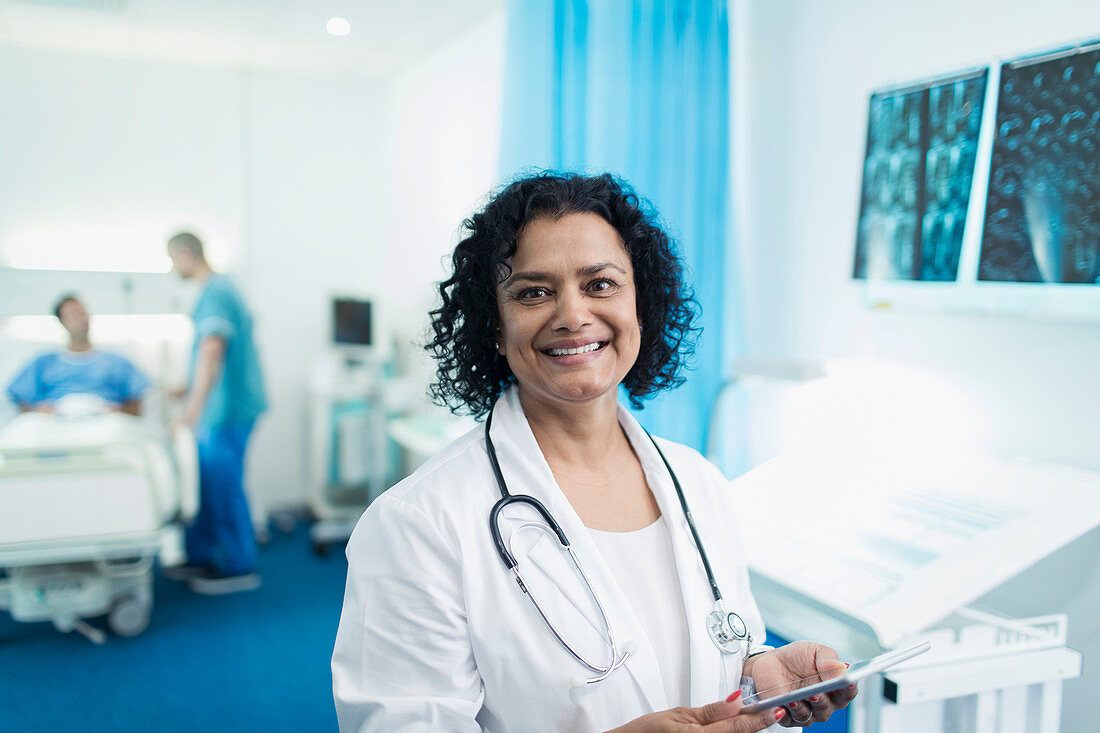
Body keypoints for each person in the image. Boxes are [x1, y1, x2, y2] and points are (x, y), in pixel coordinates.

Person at [332, 173, 856, 731]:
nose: (572, 315)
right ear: (494, 322)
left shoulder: (697, 481)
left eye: (601, 284)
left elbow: (722, 660)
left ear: (640, 302)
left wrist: (759, 678)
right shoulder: (416, 524)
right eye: (534, 291)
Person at [165, 231, 267, 595]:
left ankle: (239, 565)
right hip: (222, 408)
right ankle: (204, 556)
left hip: (226, 411)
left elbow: (212, 348)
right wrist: (186, 387)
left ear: (185, 254)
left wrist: (192, 408)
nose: (172, 267)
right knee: (209, 484)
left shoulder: (216, 291)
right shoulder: (221, 289)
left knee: (224, 486)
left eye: (171, 258)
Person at [6, 294, 149, 416]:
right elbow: (22, 404)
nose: (81, 318)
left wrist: (118, 412)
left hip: (106, 425)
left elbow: (136, 405)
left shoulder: (116, 361)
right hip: (54, 425)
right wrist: (38, 412)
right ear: (62, 322)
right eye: (74, 314)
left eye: (83, 312)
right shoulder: (44, 363)